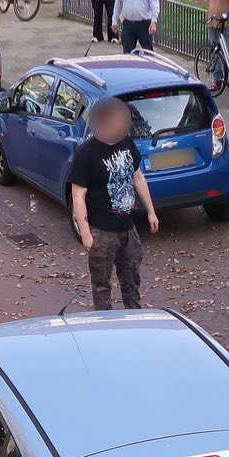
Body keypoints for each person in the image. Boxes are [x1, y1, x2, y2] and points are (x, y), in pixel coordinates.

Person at [69, 96, 159, 310]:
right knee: (102, 285)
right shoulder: (86, 154)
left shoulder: (126, 143)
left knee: (131, 280)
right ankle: (105, 326)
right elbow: (78, 196)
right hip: (102, 231)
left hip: (128, 228)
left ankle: (134, 319)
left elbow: (138, 178)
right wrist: (86, 233)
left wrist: (151, 212)